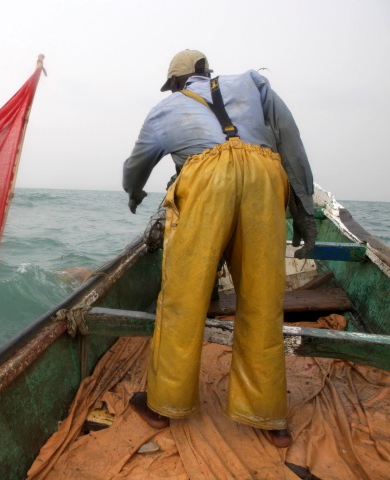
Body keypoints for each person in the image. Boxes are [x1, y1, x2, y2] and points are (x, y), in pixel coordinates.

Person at [122, 49, 317, 448]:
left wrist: (135, 191)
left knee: (182, 299)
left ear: (176, 82)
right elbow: (291, 145)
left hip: (205, 180)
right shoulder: (254, 81)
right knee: (263, 300)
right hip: (265, 177)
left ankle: (163, 406)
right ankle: (269, 419)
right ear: (206, 71)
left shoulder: (165, 108)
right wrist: (305, 213)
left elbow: (136, 165)